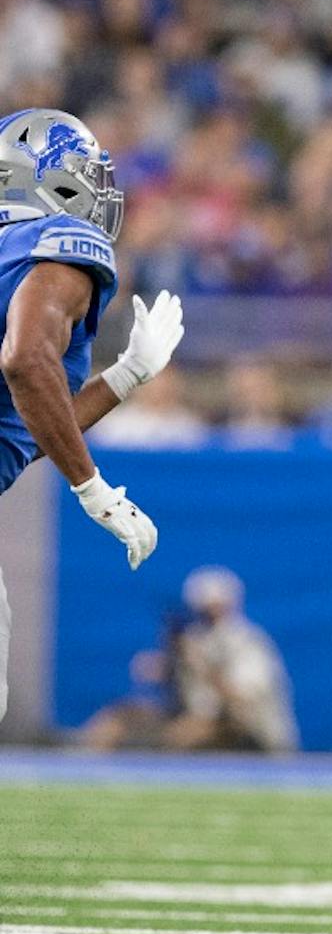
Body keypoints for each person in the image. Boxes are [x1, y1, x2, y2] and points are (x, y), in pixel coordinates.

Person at [0, 108, 185, 724]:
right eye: (83, 172)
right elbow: (27, 362)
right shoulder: (59, 246)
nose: (100, 190)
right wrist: (93, 489)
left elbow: (25, 427)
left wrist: (124, 376)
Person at [80, 565, 298, 753]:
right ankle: (79, 760)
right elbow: (183, 697)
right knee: (121, 717)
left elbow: (241, 701)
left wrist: (201, 667)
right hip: (197, 719)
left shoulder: (247, 643)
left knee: (187, 732)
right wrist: (167, 669)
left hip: (252, 736)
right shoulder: (197, 638)